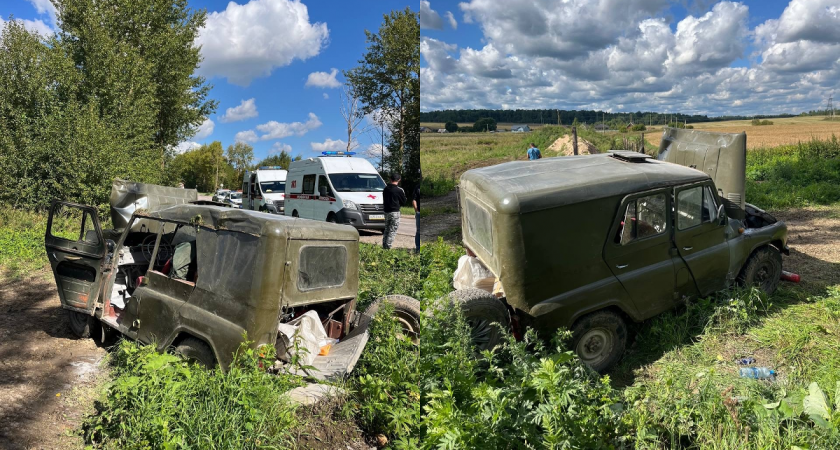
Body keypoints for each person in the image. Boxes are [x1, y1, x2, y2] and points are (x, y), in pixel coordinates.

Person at [382, 173, 407, 249]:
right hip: (395, 212)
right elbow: (404, 201)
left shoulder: (385, 189)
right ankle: (388, 247)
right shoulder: (399, 190)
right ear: (399, 180)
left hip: (386, 211)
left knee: (387, 229)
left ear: (390, 179)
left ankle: (384, 245)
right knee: (392, 230)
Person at [412, 182, 421, 253]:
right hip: (419, 212)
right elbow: (414, 199)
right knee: (419, 231)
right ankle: (418, 248)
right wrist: (416, 209)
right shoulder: (417, 187)